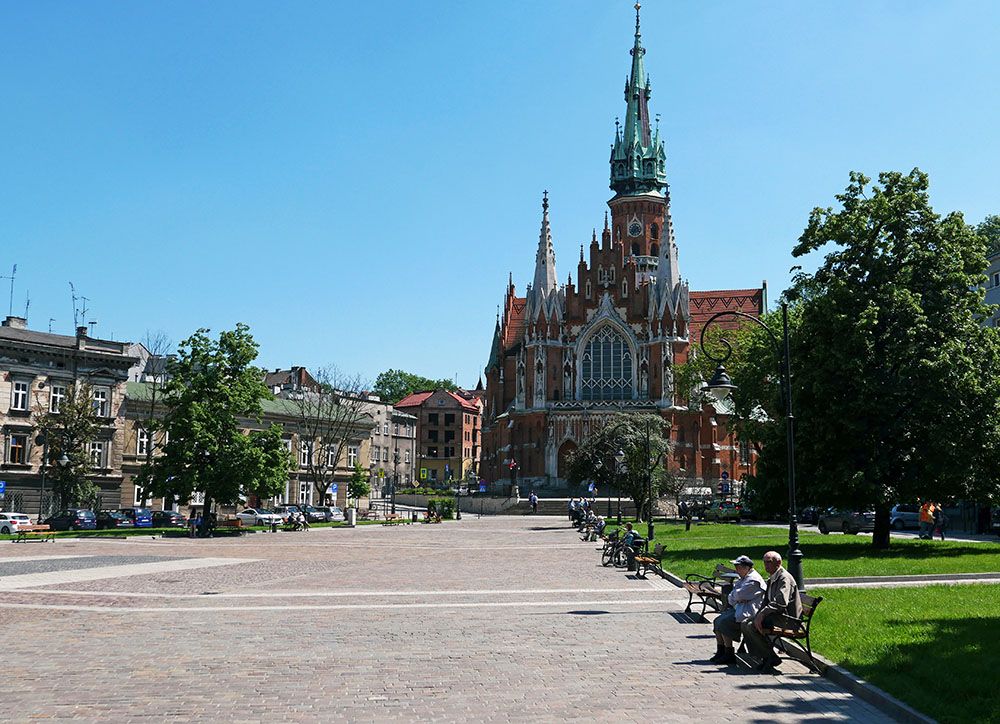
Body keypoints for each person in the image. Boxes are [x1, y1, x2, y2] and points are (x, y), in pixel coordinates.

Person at [741, 551, 802, 670]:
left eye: (769, 562)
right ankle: (765, 656)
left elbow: (781, 602)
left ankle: (770, 657)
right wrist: (759, 614)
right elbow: (766, 601)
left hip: (788, 619)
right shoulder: (773, 577)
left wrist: (762, 614)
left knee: (751, 626)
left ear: (778, 563)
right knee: (744, 623)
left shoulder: (784, 578)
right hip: (776, 616)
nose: (766, 565)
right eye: (764, 562)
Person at [710, 555, 765, 665]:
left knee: (724, 622)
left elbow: (737, 595)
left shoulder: (753, 580)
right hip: (740, 609)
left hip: (750, 613)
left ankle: (729, 654)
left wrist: (737, 597)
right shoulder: (744, 578)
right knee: (717, 621)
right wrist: (737, 597)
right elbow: (732, 597)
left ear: (746, 568)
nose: (736, 570)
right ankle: (721, 651)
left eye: (738, 567)